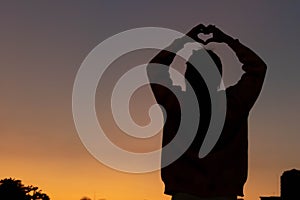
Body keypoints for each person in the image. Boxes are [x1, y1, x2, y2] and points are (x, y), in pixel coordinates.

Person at [146, 24, 267, 200]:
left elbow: (156, 68)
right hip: (224, 193)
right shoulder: (234, 103)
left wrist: (182, 42)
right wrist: (228, 41)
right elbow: (257, 69)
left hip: (184, 192)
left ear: (187, 74)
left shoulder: (177, 103)